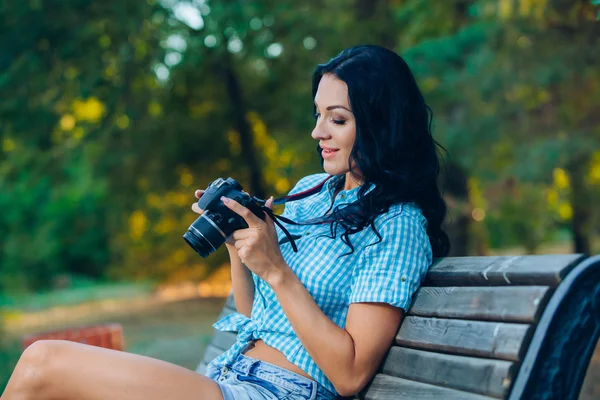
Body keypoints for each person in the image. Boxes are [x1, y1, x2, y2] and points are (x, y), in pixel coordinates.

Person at [0, 44, 449, 400]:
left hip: (282, 391)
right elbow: (256, 315)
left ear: (380, 125)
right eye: (318, 115)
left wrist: (277, 268)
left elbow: (350, 374)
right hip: (234, 375)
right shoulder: (315, 193)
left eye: (337, 119)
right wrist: (241, 244)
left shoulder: (398, 225)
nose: (318, 132)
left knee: (43, 363)